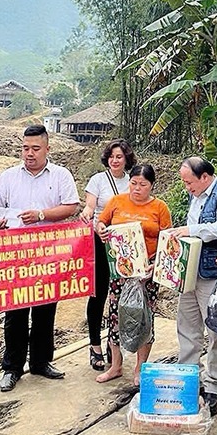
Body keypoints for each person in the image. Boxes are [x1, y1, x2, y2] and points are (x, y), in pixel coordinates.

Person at [0, 124, 80, 391]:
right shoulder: (8, 177)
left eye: (35, 149)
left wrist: (41, 215)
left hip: (49, 254)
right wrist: (0, 221)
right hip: (15, 255)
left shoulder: (61, 175)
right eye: (25, 148)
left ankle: (41, 362)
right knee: (15, 311)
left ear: (47, 149)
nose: (29, 154)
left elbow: (71, 206)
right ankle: (12, 368)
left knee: (45, 310)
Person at [170, 156, 217, 416]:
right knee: (187, 328)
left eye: (190, 182)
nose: (187, 187)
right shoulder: (196, 195)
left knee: (215, 332)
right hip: (189, 272)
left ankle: (213, 387)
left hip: (211, 274)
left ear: (205, 177)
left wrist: (191, 230)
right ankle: (190, 380)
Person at [95, 163, 172, 386]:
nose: (137, 188)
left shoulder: (160, 208)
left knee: (143, 316)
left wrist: (155, 264)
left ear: (151, 186)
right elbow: (102, 221)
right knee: (116, 314)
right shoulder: (117, 201)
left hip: (147, 269)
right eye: (133, 183)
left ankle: (140, 368)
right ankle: (116, 366)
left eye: (143, 185)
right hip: (121, 267)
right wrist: (101, 229)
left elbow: (167, 240)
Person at [80, 139, 136, 372]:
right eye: (112, 156)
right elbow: (91, 207)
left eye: (120, 157)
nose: (115, 160)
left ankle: (115, 346)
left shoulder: (133, 182)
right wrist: (88, 213)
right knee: (99, 293)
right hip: (100, 240)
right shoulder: (98, 180)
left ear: (126, 160)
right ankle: (95, 346)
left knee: (122, 296)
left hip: (125, 244)